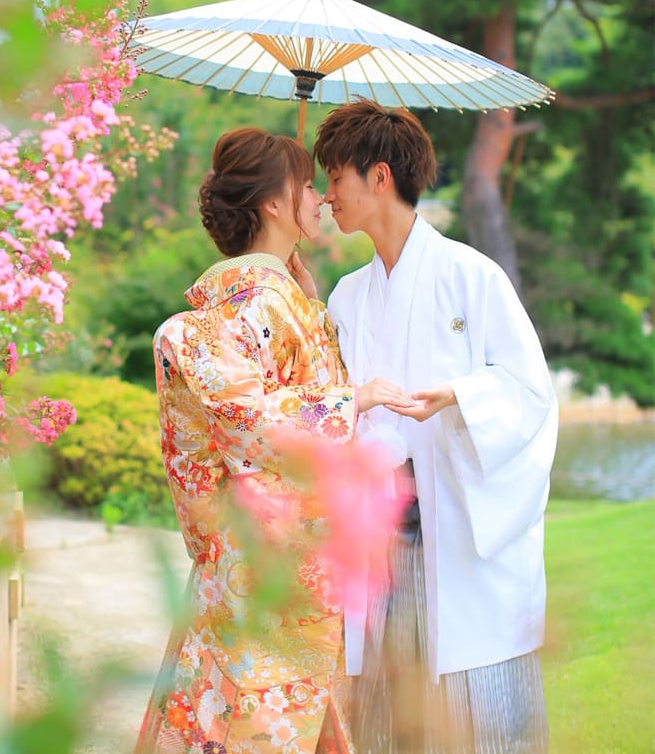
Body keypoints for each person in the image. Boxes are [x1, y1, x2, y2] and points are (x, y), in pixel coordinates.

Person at [136, 126, 411, 754]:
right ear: (273, 203)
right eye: (307, 186)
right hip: (267, 561)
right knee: (254, 724)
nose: (320, 198)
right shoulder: (253, 306)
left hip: (285, 557)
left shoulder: (280, 299)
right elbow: (248, 421)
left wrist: (306, 303)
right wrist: (351, 400)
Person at [313, 98, 559, 753]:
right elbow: (331, 401)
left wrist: (459, 396)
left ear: (379, 178)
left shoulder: (472, 277)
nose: (326, 195)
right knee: (388, 712)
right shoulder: (345, 296)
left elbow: (530, 392)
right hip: (381, 533)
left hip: (456, 523)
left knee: (475, 712)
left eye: (334, 177)